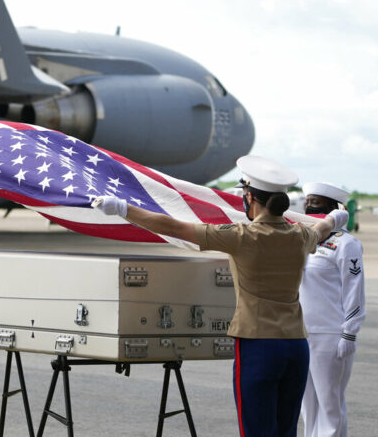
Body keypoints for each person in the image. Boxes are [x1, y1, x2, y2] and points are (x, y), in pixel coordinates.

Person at [92, 155, 348, 437]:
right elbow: (322, 229)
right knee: (286, 429)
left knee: (256, 430)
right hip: (297, 346)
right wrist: (335, 217)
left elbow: (174, 227)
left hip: (258, 344)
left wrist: (124, 209)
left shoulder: (240, 236)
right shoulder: (300, 236)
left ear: (249, 198)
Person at [299, 182, 365, 437]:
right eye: (307, 201)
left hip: (331, 334)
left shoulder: (346, 244)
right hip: (301, 332)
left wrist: (349, 331)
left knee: (330, 404)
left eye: (315, 201)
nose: (308, 206)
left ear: (332, 207)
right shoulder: (303, 239)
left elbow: (354, 289)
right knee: (307, 405)